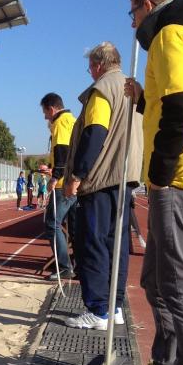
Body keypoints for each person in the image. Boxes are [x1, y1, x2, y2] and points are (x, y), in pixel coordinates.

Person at [119, 0, 183, 365]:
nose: (132, 22)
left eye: (132, 12)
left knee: (176, 279)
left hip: (180, 179)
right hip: (177, 176)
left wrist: (161, 172)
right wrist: (140, 100)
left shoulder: (172, 35)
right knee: (155, 279)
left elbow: (182, 109)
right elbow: (175, 102)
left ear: (147, 5)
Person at [63, 42, 143, 330]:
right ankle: (115, 305)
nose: (90, 73)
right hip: (125, 177)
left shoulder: (102, 90)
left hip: (101, 178)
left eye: (90, 68)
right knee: (116, 244)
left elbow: (95, 132)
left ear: (97, 65)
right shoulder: (133, 88)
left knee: (93, 243)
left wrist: (77, 176)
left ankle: (98, 309)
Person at [40, 92, 77, 279]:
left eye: (45, 113)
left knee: (52, 223)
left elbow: (63, 152)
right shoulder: (72, 120)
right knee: (74, 227)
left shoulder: (61, 123)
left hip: (64, 184)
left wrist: (55, 177)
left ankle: (64, 267)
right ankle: (77, 264)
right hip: (74, 181)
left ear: (52, 109)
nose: (45, 117)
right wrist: (53, 168)